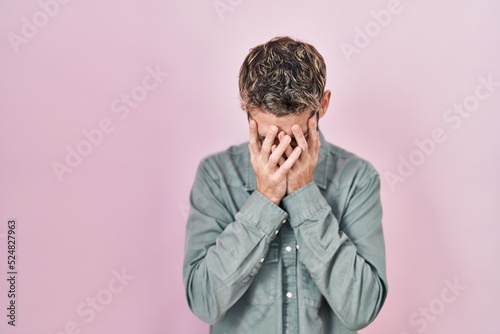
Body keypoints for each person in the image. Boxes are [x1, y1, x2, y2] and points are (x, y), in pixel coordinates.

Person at [182, 36, 388, 334]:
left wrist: (306, 195)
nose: (280, 152)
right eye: (266, 138)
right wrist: (265, 198)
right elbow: (204, 303)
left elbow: (362, 310)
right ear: (248, 112)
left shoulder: (358, 178)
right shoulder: (216, 176)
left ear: (323, 105)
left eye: (295, 136)